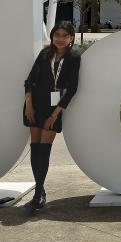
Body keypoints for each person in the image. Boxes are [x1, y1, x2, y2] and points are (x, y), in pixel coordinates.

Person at [23, 21, 81, 213]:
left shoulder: (74, 57)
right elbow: (30, 81)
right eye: (57, 34)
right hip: (35, 104)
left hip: (53, 106)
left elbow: (71, 88)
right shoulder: (44, 53)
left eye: (65, 35)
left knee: (44, 149)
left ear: (71, 37)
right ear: (52, 36)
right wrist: (29, 105)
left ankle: (38, 192)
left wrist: (55, 114)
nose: (60, 39)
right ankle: (39, 192)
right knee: (35, 147)